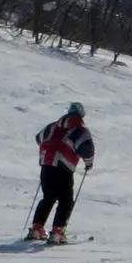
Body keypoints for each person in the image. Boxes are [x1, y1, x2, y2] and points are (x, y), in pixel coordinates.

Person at [30, 102, 95, 244]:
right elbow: (86, 149)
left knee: (48, 197)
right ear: (82, 115)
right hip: (63, 167)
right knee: (66, 200)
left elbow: (38, 138)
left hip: (46, 165)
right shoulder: (79, 129)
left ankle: (36, 228)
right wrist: (88, 163)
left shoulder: (52, 126)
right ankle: (58, 231)